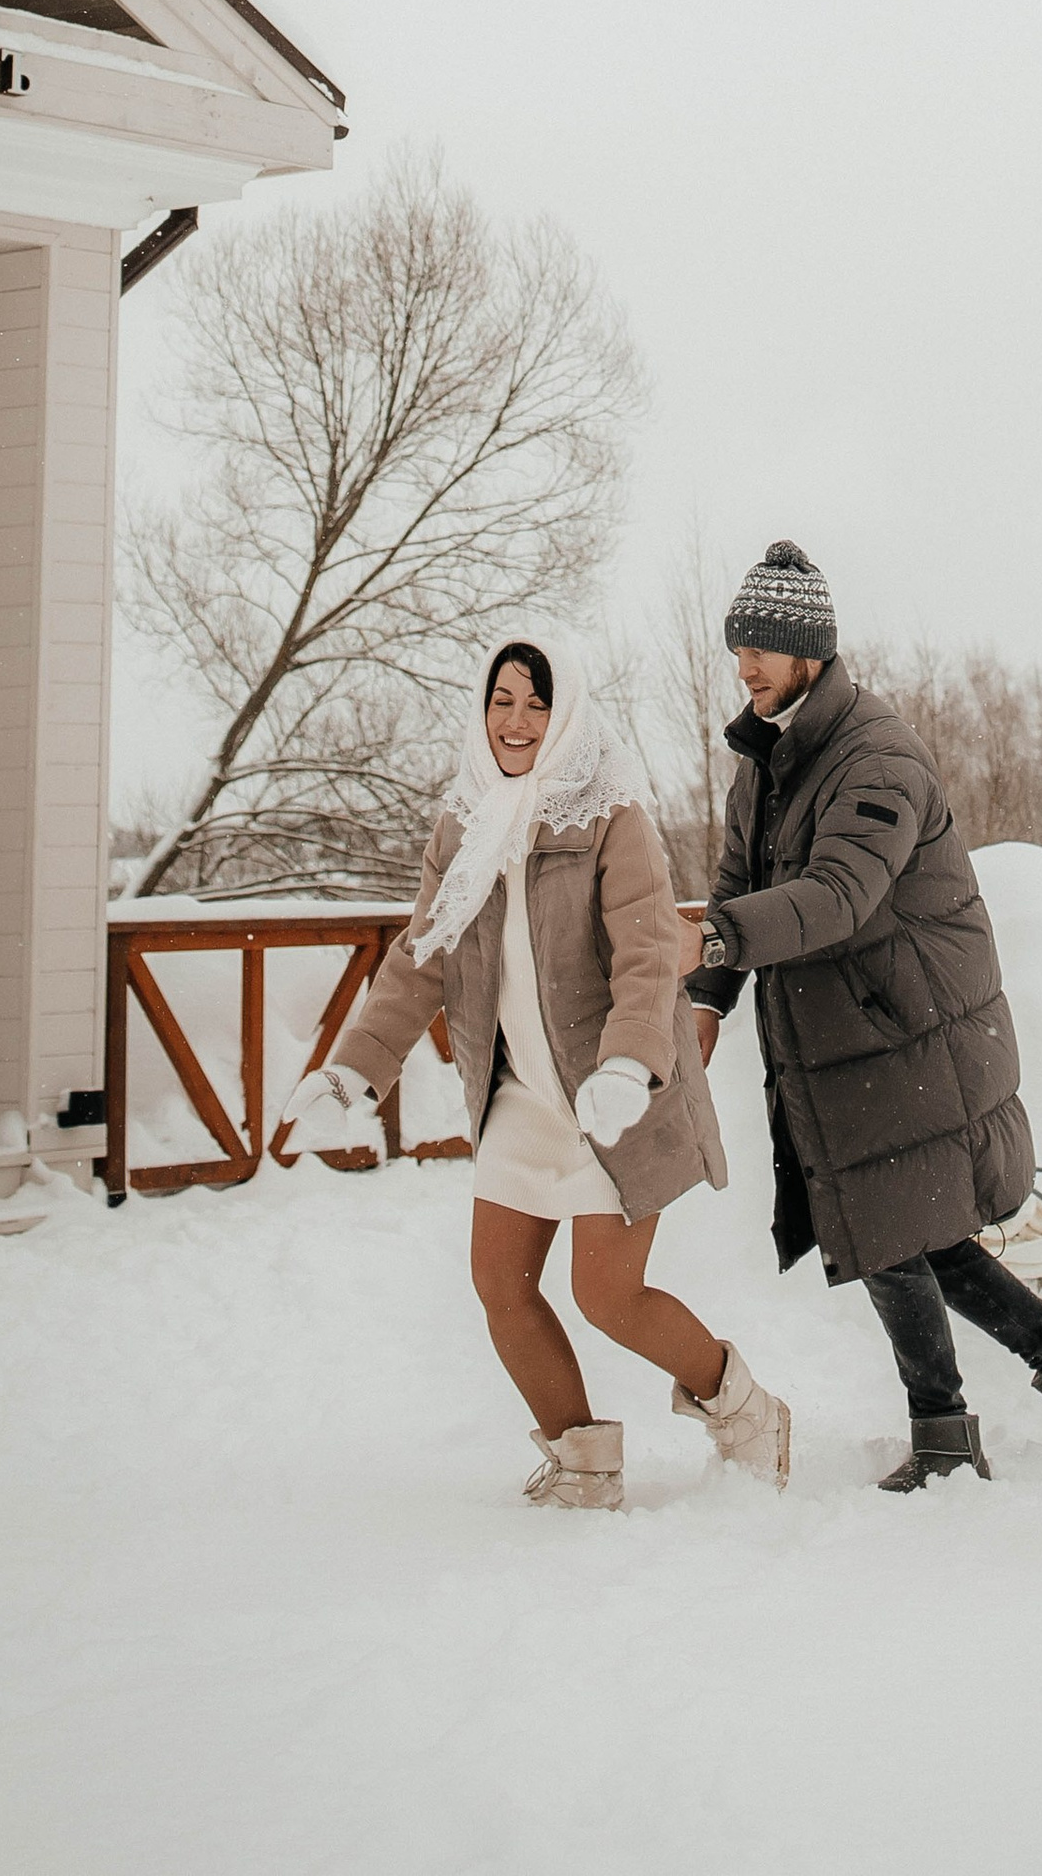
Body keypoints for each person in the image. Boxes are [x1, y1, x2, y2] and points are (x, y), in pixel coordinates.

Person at [279, 631, 790, 1513]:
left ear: (566, 714)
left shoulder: (610, 816)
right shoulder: (464, 820)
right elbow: (420, 957)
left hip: (611, 1095)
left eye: (536, 703)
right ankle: (582, 1462)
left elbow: (644, 949)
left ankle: (746, 1412)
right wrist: (353, 1073)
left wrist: (630, 1063)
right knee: (501, 1288)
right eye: (502, 701)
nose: (516, 721)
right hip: (521, 1094)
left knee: (608, 1295)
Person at [683, 539, 1042, 1488]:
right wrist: (708, 994)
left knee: (884, 1226)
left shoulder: (876, 756)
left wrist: (720, 939)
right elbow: (741, 875)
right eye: (740, 648)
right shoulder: (766, 753)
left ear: (812, 653)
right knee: (908, 1226)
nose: (746, 666)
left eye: (761, 648)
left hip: (905, 1027)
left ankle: (944, 1429)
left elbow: (840, 892)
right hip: (852, 1032)